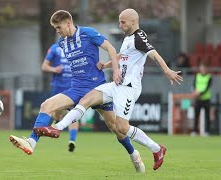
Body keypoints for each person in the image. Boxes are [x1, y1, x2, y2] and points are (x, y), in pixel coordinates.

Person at [34, 9, 183, 171]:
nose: (120, 25)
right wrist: (106, 65)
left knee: (122, 128)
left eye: (123, 22)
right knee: (86, 99)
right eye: (119, 22)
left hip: (128, 88)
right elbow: (122, 56)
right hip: (116, 85)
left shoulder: (140, 37)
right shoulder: (128, 39)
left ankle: (157, 149)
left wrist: (167, 70)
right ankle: (57, 127)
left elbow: (154, 54)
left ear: (133, 22)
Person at [9, 10, 145, 173]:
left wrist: (115, 71)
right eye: (55, 28)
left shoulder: (87, 33)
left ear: (68, 23)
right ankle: (31, 142)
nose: (57, 31)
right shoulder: (61, 43)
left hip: (98, 89)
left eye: (58, 27)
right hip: (77, 88)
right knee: (46, 105)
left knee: (117, 128)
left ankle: (134, 155)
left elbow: (111, 48)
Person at [41, 42, 79, 152]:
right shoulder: (55, 48)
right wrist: (54, 69)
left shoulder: (77, 48)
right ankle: (56, 122)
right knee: (57, 112)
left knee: (74, 113)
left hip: (73, 87)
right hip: (58, 87)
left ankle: (72, 141)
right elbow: (44, 66)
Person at [191, 62, 212, 136]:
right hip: (198, 99)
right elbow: (194, 85)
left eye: (203, 68)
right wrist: (195, 91)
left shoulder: (209, 77)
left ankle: (207, 131)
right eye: (201, 68)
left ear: (206, 69)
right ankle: (194, 131)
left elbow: (207, 87)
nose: (202, 69)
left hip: (206, 99)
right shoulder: (197, 76)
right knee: (196, 115)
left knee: (207, 116)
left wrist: (200, 93)